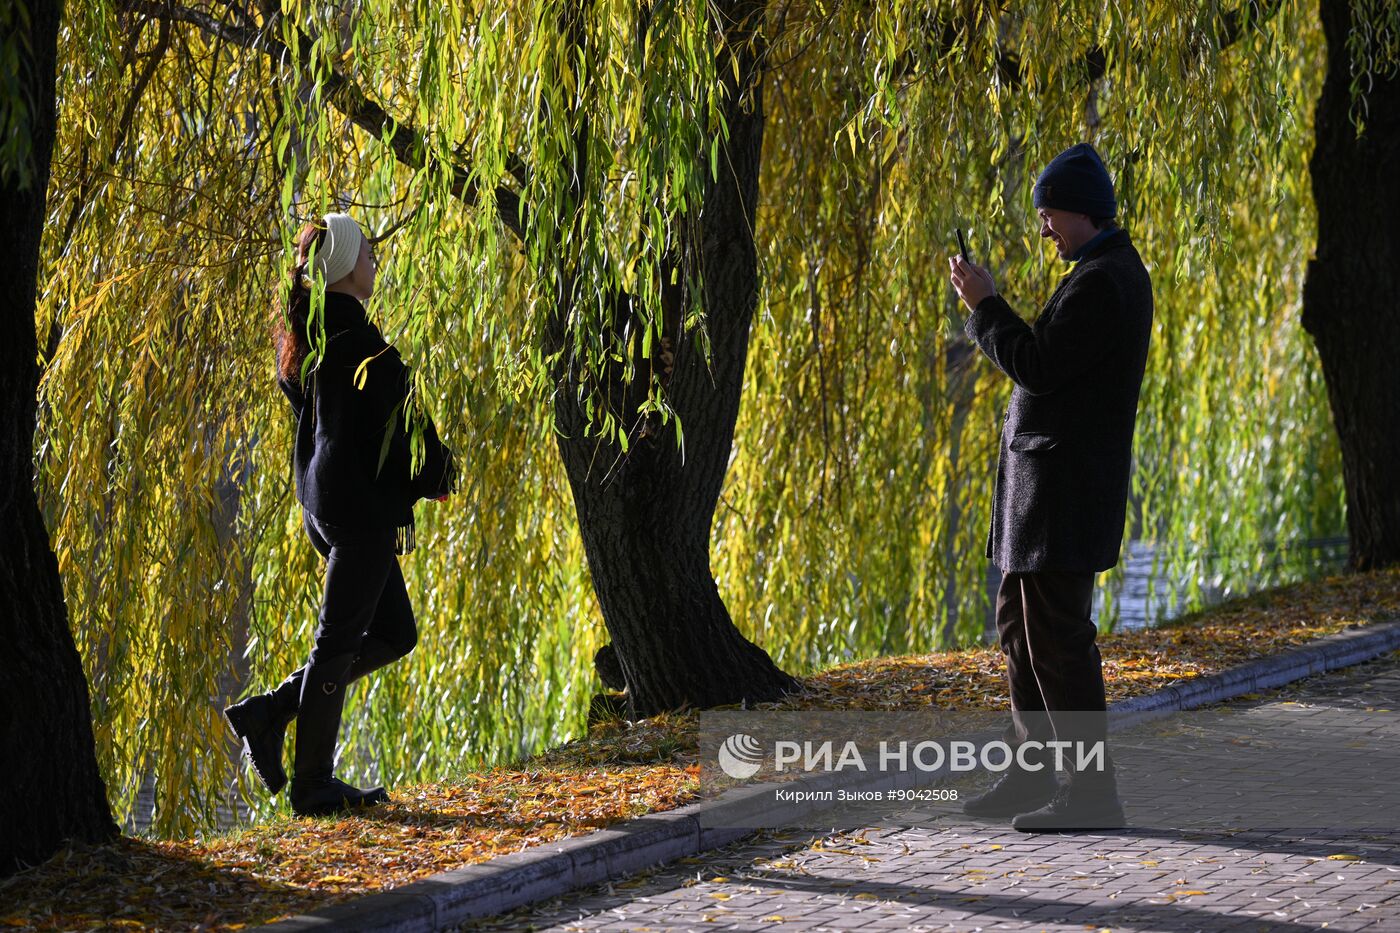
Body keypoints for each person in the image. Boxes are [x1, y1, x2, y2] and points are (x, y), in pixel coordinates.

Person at [947, 143, 1152, 831]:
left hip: (1063, 497)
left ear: (1080, 211)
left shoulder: (1104, 282)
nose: (1043, 230)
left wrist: (985, 306)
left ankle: (1092, 794)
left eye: (1048, 215)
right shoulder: (1099, 270)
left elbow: (1038, 364)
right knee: (1020, 629)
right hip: (1044, 498)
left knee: (1058, 640)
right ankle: (1031, 772)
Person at [224, 212, 457, 817]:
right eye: (368, 254)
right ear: (346, 267)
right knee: (338, 640)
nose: (375, 262)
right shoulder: (363, 345)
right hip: (358, 512)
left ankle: (270, 712)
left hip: (327, 506)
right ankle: (312, 785)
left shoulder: (319, 338)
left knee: (393, 633)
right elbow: (401, 427)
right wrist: (439, 475)